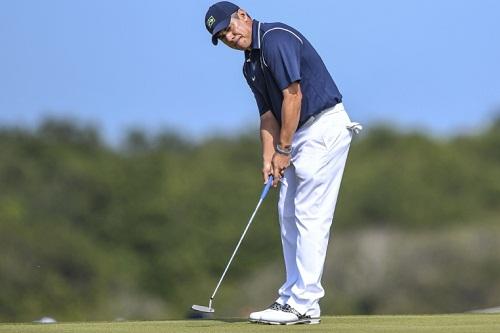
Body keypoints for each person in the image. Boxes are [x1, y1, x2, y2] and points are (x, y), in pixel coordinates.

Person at [204, 1, 362, 325]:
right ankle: (292, 298)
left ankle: (304, 301)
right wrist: (268, 158)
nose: (230, 37)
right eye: (222, 36)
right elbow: (267, 114)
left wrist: (284, 149)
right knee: (287, 212)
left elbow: (293, 96)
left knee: (309, 213)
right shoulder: (249, 65)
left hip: (322, 127)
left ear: (243, 16)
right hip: (296, 134)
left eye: (230, 27)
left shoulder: (275, 39)